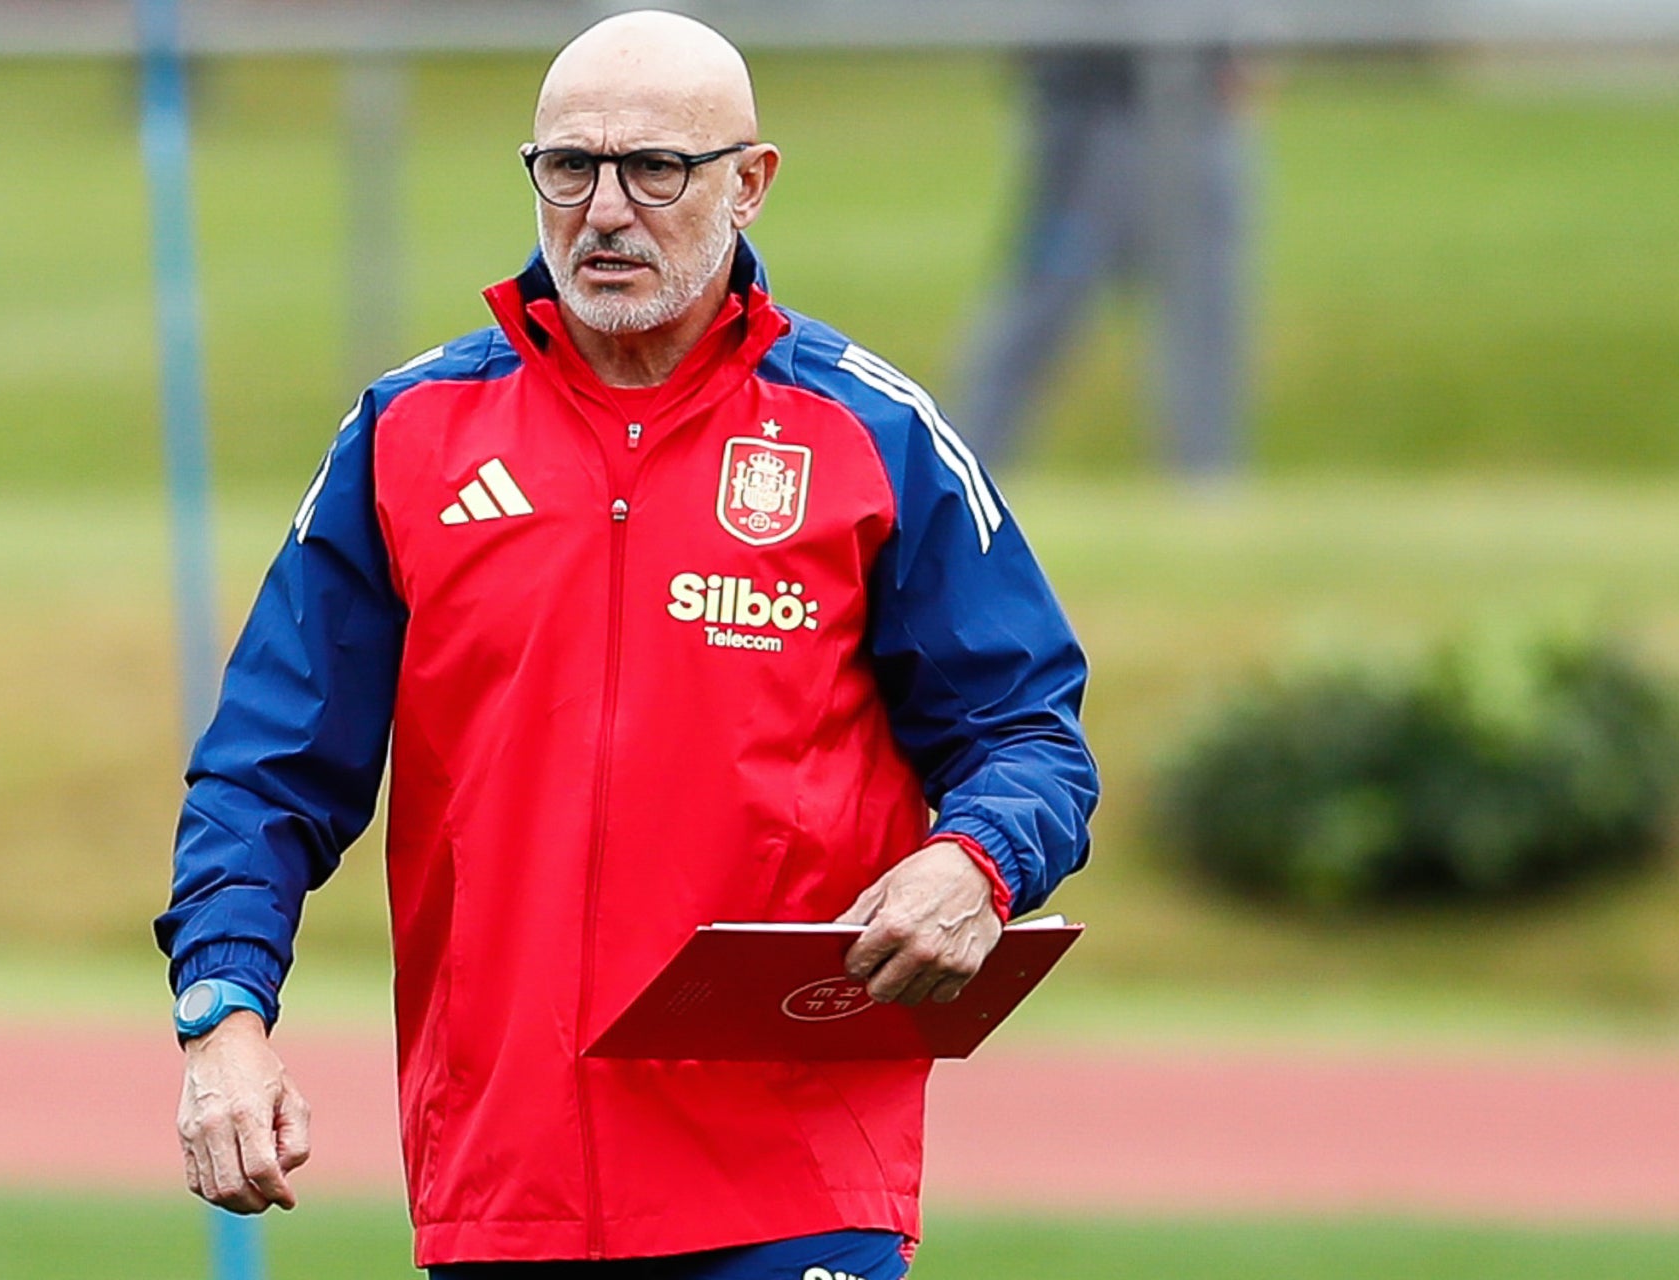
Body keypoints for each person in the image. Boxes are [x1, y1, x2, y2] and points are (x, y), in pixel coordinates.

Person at [157, 12, 1099, 1277]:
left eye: (656, 168)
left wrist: (973, 860)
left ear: (748, 184)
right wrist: (221, 1014)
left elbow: (1028, 733)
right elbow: (264, 769)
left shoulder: (870, 434)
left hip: (794, 1174)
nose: (605, 209)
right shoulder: (408, 433)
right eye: (569, 167)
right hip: (506, 1179)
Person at [954, 46, 1250, 477]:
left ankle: (1206, 480)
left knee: (1203, 313)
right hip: (1090, 115)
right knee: (1043, 303)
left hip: (1195, 108)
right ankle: (959, 475)